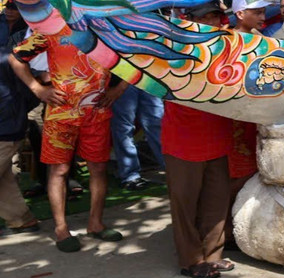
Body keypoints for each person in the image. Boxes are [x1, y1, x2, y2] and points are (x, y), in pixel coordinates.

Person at [10, 26, 127, 251]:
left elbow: (137, 59)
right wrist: (37, 88)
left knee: (98, 168)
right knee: (59, 170)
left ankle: (96, 223)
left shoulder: (107, 29)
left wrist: (119, 89)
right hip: (60, 114)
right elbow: (16, 58)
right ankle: (61, 229)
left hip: (98, 114)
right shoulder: (51, 31)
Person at [164, 1, 234, 278]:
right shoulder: (174, 48)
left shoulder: (227, 49)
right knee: (185, 203)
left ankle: (213, 254)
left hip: (217, 135)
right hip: (183, 138)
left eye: (216, 18)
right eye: (205, 18)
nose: (212, 23)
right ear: (189, 20)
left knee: (216, 201)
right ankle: (191, 259)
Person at [226, 0, 270, 242]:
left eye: (263, 11)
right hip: (233, 118)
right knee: (234, 173)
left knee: (249, 172)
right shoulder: (227, 40)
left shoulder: (260, 39)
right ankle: (224, 228)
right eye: (257, 12)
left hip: (253, 116)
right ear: (240, 14)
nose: (262, 16)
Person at [0, 54, 39, 236]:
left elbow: (30, 91)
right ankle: (21, 219)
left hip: (7, 127)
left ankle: (22, 219)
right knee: (4, 178)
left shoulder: (8, 58)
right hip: (9, 124)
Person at [108, 84, 165, 191]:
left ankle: (172, 168)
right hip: (122, 76)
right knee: (124, 128)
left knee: (157, 122)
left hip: (147, 77)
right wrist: (119, 86)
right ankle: (130, 176)